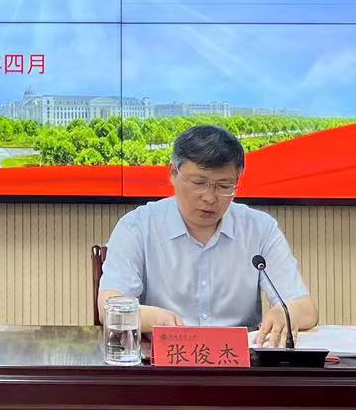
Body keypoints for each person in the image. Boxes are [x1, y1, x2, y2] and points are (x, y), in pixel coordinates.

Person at [97, 124, 316, 345]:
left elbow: (306, 309)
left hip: (238, 360)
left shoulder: (260, 229)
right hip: (162, 358)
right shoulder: (137, 226)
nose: (210, 198)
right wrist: (154, 318)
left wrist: (286, 312)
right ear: (173, 173)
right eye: (199, 183)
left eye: (224, 186)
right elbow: (109, 308)